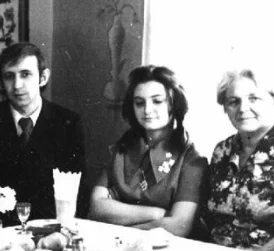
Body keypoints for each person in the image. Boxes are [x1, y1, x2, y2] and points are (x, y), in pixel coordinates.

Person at [0, 42, 88, 222]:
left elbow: (78, 192)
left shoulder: (67, 123)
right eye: (9, 76)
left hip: (49, 228)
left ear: (43, 77)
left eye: (25, 74)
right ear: (0, 82)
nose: (17, 85)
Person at [88, 65, 208, 238]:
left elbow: (179, 226)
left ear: (174, 103)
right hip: (120, 246)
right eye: (139, 102)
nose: (147, 110)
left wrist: (121, 226)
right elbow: (96, 208)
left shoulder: (192, 159)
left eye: (157, 101)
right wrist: (158, 214)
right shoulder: (122, 148)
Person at [205, 67, 274, 251]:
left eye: (254, 98)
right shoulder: (222, 151)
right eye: (233, 101)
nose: (242, 108)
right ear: (225, 108)